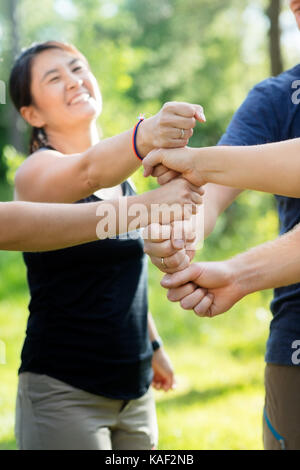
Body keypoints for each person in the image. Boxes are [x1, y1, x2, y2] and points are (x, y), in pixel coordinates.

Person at [9, 40, 204, 450]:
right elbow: (86, 172)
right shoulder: (35, 173)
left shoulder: (125, 182)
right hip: (64, 391)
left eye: (78, 68)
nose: (74, 81)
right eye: (54, 77)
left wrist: (153, 347)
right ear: (32, 114)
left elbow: (124, 275)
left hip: (134, 391)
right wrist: (146, 139)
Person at [141, 0, 300, 451]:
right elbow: (205, 198)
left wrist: (197, 161)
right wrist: (180, 233)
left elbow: (209, 172)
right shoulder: (275, 98)